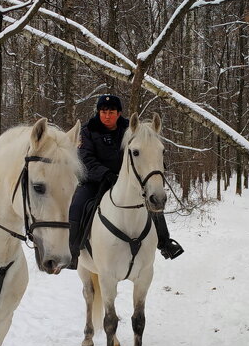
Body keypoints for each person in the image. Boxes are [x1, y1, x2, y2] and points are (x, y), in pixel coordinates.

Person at [68, 94, 184, 266]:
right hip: (95, 180)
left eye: (111, 112)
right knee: (78, 205)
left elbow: (144, 153)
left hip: (127, 181)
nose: (107, 115)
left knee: (152, 201)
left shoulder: (131, 129)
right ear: (98, 112)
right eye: (103, 111)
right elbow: (86, 158)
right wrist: (105, 174)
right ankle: (73, 250)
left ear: (119, 113)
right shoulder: (87, 131)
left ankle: (165, 242)